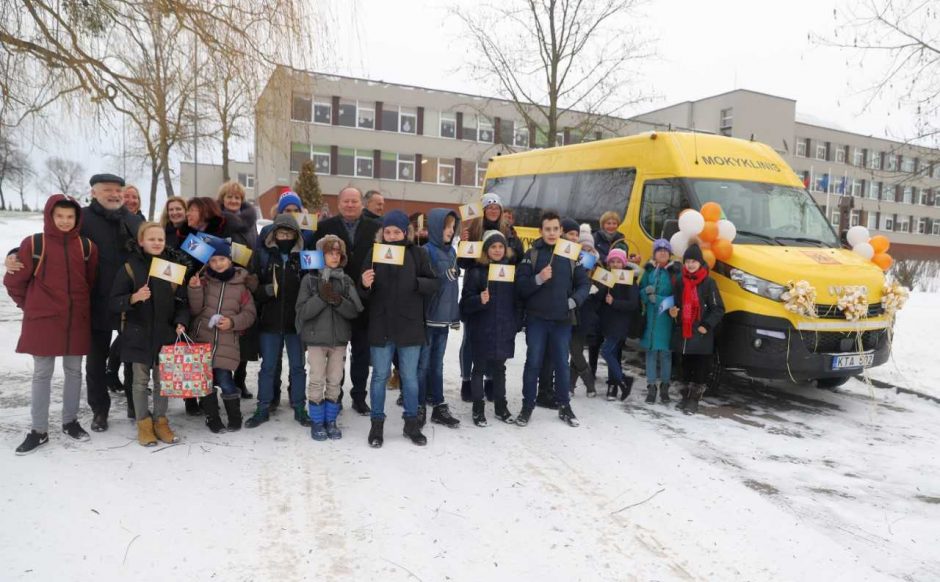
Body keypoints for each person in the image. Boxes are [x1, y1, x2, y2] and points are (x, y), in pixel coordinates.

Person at [5, 195, 98, 454]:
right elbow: (13, 282)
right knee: (42, 374)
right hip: (43, 321)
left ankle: (70, 422)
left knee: (74, 372)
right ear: (50, 216)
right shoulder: (34, 243)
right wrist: (31, 306)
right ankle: (39, 430)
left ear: (77, 219)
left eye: (70, 217)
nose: (65, 221)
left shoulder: (87, 246)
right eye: (60, 216)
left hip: (76, 320)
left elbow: (89, 282)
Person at [359, 210, 440, 447]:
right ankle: (376, 425)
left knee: (410, 378)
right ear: (382, 232)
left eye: (397, 232)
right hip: (381, 324)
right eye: (388, 231)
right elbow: (363, 291)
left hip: (409, 326)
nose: (392, 236)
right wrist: (364, 284)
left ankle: (411, 424)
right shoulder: (374, 254)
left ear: (405, 232)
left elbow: (434, 283)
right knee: (380, 376)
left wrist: (416, 283)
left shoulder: (418, 254)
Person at [110, 222, 189, 446]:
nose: (156, 243)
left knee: (163, 381)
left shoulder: (172, 267)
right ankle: (143, 424)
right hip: (138, 334)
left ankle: (161, 422)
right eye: (152, 239)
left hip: (165, 334)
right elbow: (114, 302)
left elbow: (182, 303)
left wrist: (181, 322)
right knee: (140, 382)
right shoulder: (130, 267)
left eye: (160, 239)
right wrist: (133, 298)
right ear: (141, 241)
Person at [516, 210, 590, 427]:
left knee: (562, 365)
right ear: (540, 231)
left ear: (561, 231)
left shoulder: (571, 254)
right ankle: (527, 406)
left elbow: (584, 284)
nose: (551, 233)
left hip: (562, 321)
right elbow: (520, 286)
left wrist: (573, 301)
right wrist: (538, 279)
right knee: (533, 363)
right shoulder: (532, 254)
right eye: (547, 229)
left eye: (555, 229)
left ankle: (564, 406)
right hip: (537, 320)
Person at [312, 186, 381, 415]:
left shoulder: (376, 228)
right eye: (346, 201)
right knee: (336, 353)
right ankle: (335, 395)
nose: (350, 205)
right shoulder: (324, 227)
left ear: (361, 204)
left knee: (361, 352)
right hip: (334, 298)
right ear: (338, 204)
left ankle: (359, 397)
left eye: (354, 201)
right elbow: (313, 261)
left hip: (364, 299)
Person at [295, 235, 364, 440]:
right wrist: (321, 297)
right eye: (329, 252)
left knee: (335, 380)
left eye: (337, 253)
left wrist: (337, 300)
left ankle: (330, 420)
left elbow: (354, 311)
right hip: (316, 340)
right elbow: (302, 312)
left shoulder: (345, 280)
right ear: (320, 255)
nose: (334, 256)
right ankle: (317, 421)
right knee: (317, 379)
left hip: (339, 340)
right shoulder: (309, 280)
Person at [457, 192, 524, 402]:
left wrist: (509, 253)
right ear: (483, 209)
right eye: (489, 207)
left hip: (501, 286)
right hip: (477, 286)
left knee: (494, 338)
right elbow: (463, 264)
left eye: (497, 207)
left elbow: (518, 257)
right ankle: (467, 380)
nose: (493, 210)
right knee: (471, 339)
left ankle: (489, 380)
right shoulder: (474, 230)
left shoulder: (509, 231)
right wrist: (465, 246)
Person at [245, 214, 309, 429]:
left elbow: (312, 285)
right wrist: (264, 290)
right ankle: (263, 407)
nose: (284, 237)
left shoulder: (302, 259)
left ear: (296, 235)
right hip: (269, 323)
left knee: (298, 367)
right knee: (268, 367)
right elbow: (252, 289)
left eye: (289, 233)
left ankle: (300, 406)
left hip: (296, 324)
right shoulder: (264, 257)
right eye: (281, 233)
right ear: (273, 235)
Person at [188, 238, 257, 432]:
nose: (217, 264)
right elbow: (195, 310)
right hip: (203, 341)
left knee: (226, 381)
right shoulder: (204, 282)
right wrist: (194, 289)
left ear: (230, 260)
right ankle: (212, 417)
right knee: (206, 383)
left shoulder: (241, 285)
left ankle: (235, 415)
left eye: (222, 259)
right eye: (213, 260)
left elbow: (249, 314)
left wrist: (233, 322)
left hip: (227, 343)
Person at [459, 230, 519, 426]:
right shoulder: (477, 272)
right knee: (479, 369)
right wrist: (479, 300)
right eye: (493, 246)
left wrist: (515, 323)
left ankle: (501, 406)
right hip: (481, 330)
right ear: (486, 249)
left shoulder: (511, 271)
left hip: (503, 329)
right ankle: (478, 408)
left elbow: (517, 302)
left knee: (499, 369)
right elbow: (465, 304)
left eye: (501, 246)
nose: (497, 250)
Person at [417, 208, 461, 429]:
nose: (451, 231)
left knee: (438, 364)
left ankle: (438, 404)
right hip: (429, 318)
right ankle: (419, 405)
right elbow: (427, 284)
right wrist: (445, 277)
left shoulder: (452, 253)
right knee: (423, 364)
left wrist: (454, 315)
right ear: (435, 227)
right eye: (447, 226)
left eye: (453, 227)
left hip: (443, 319)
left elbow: (453, 290)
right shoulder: (425, 251)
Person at [668, 244, 725, 414]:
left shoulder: (709, 282)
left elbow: (718, 308)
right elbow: (676, 304)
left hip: (700, 334)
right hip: (684, 333)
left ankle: (694, 400)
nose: (690, 265)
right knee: (685, 367)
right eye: (687, 261)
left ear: (700, 262)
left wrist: (705, 326)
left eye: (694, 261)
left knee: (700, 368)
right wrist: (674, 313)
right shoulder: (679, 281)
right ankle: (686, 396)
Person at [639, 238, 680, 404]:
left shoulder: (674, 272)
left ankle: (664, 386)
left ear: (669, 254)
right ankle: (651, 386)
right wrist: (646, 294)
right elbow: (640, 290)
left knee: (665, 354)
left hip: (666, 318)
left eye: (665, 250)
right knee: (650, 353)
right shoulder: (648, 270)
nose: (662, 252)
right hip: (650, 316)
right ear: (654, 254)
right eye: (659, 250)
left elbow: (677, 295)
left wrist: (659, 298)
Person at [598, 248, 641, 401]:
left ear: (623, 263)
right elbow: (598, 295)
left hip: (620, 323)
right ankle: (615, 384)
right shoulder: (607, 277)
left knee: (606, 351)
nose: (615, 264)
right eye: (612, 261)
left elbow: (633, 304)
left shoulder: (628, 279)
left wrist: (614, 302)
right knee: (613, 354)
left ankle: (623, 380)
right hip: (608, 322)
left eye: (618, 262)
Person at [570, 224, 600, 397]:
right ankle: (582, 383)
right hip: (572, 311)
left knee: (576, 350)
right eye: (583, 246)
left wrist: (596, 289)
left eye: (589, 247)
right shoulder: (572, 262)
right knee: (575, 350)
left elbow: (605, 289)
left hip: (587, 315)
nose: (586, 249)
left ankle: (578, 385)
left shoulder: (598, 265)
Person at [217, 180, 258, 248]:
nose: (233, 201)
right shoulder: (215, 219)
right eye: (229, 197)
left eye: (237, 198)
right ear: (222, 199)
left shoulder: (250, 220)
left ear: (241, 201)